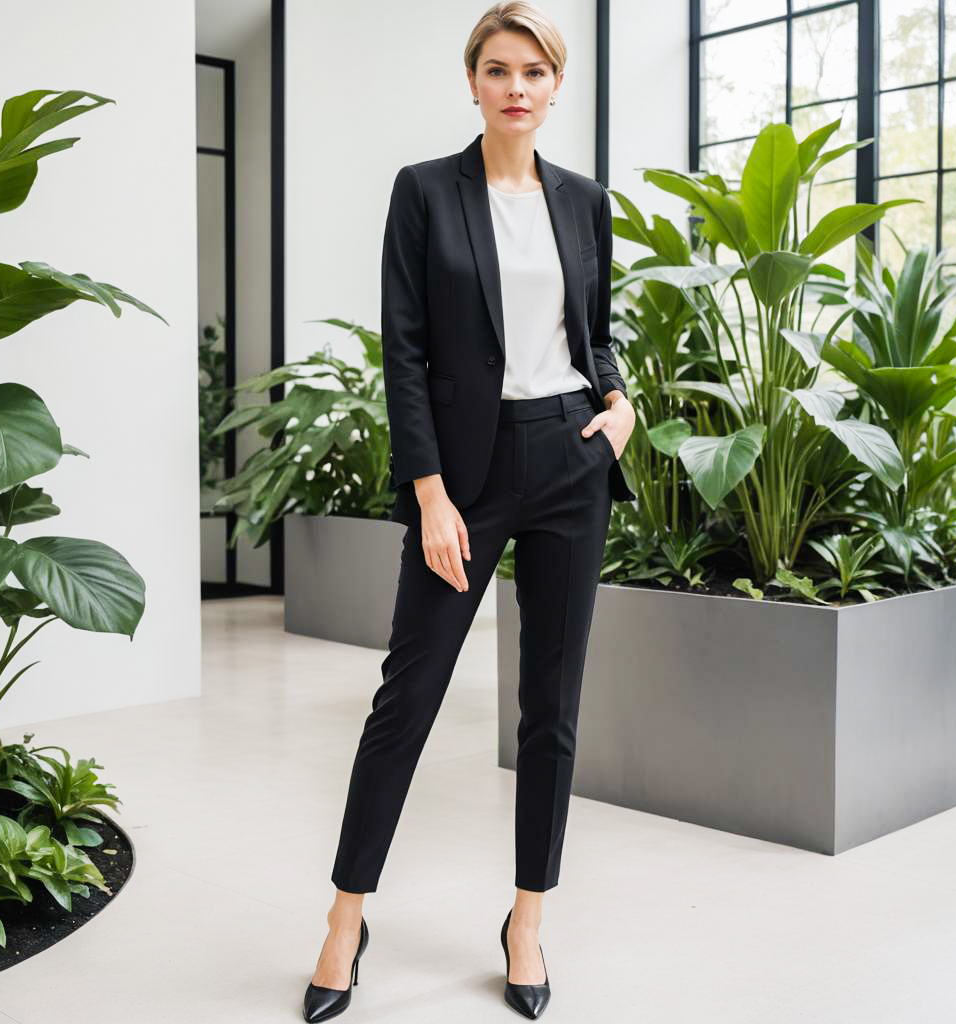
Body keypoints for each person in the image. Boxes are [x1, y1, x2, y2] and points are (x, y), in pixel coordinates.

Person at [303, 3, 636, 1020]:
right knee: (406, 698)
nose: (517, 87)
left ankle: (527, 917)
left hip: (570, 461)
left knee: (552, 706)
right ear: (474, 82)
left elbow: (596, 323)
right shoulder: (423, 194)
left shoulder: (582, 201)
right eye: (499, 69)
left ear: (555, 83)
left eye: (534, 70)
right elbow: (401, 350)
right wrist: (431, 491)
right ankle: (344, 919)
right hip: (468, 472)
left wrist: (620, 407)